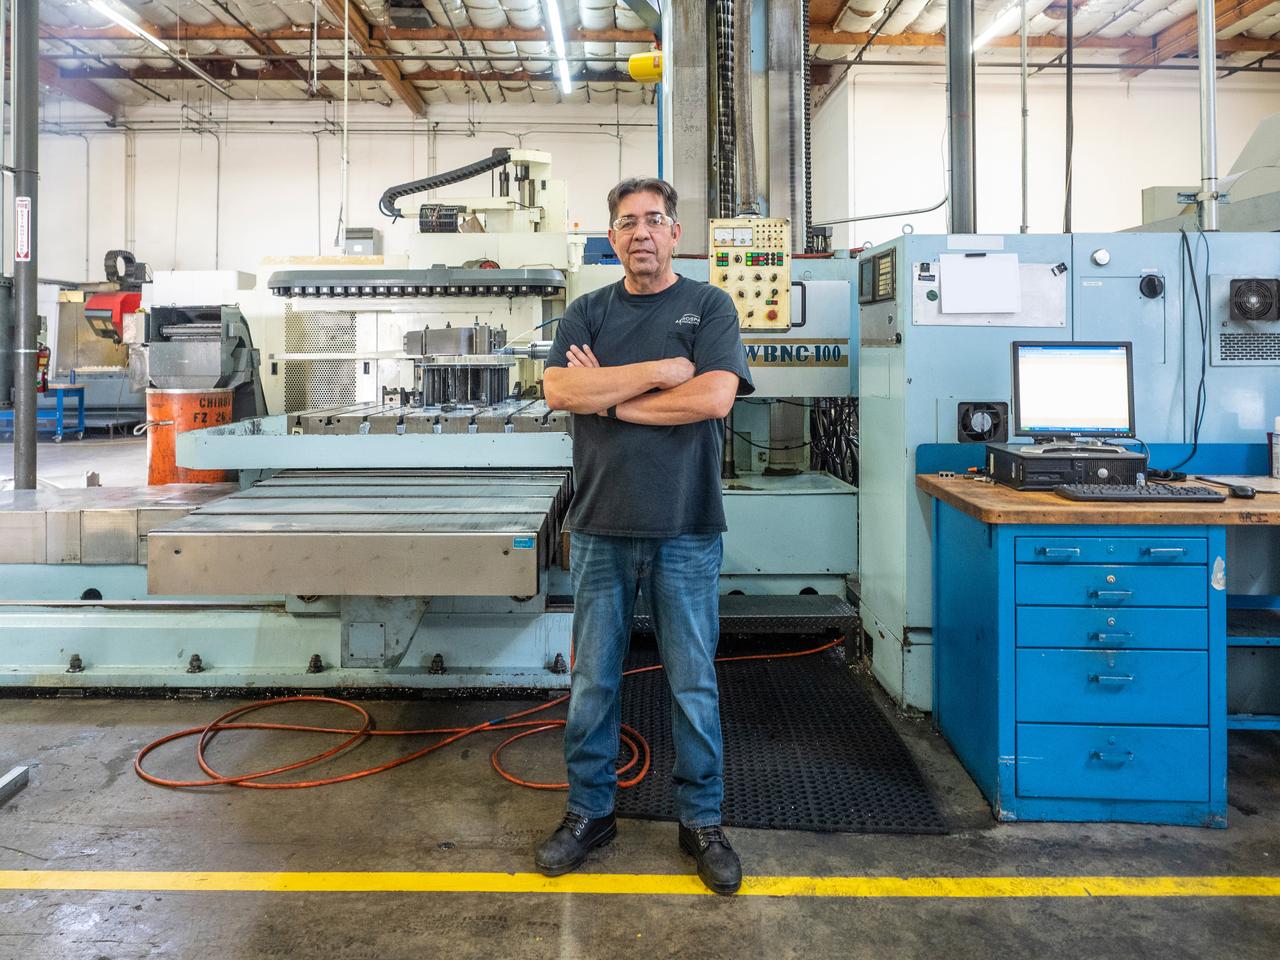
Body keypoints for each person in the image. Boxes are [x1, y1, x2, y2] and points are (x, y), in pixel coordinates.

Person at [537, 177, 754, 895]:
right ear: (612, 235)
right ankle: (590, 813)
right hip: (599, 525)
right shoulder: (586, 312)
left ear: (675, 234)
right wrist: (661, 375)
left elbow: (716, 397)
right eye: (627, 222)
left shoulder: (709, 306)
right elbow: (563, 392)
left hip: (686, 527)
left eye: (654, 221)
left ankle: (702, 821)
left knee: (693, 684)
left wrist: (615, 400)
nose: (641, 233)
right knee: (592, 682)